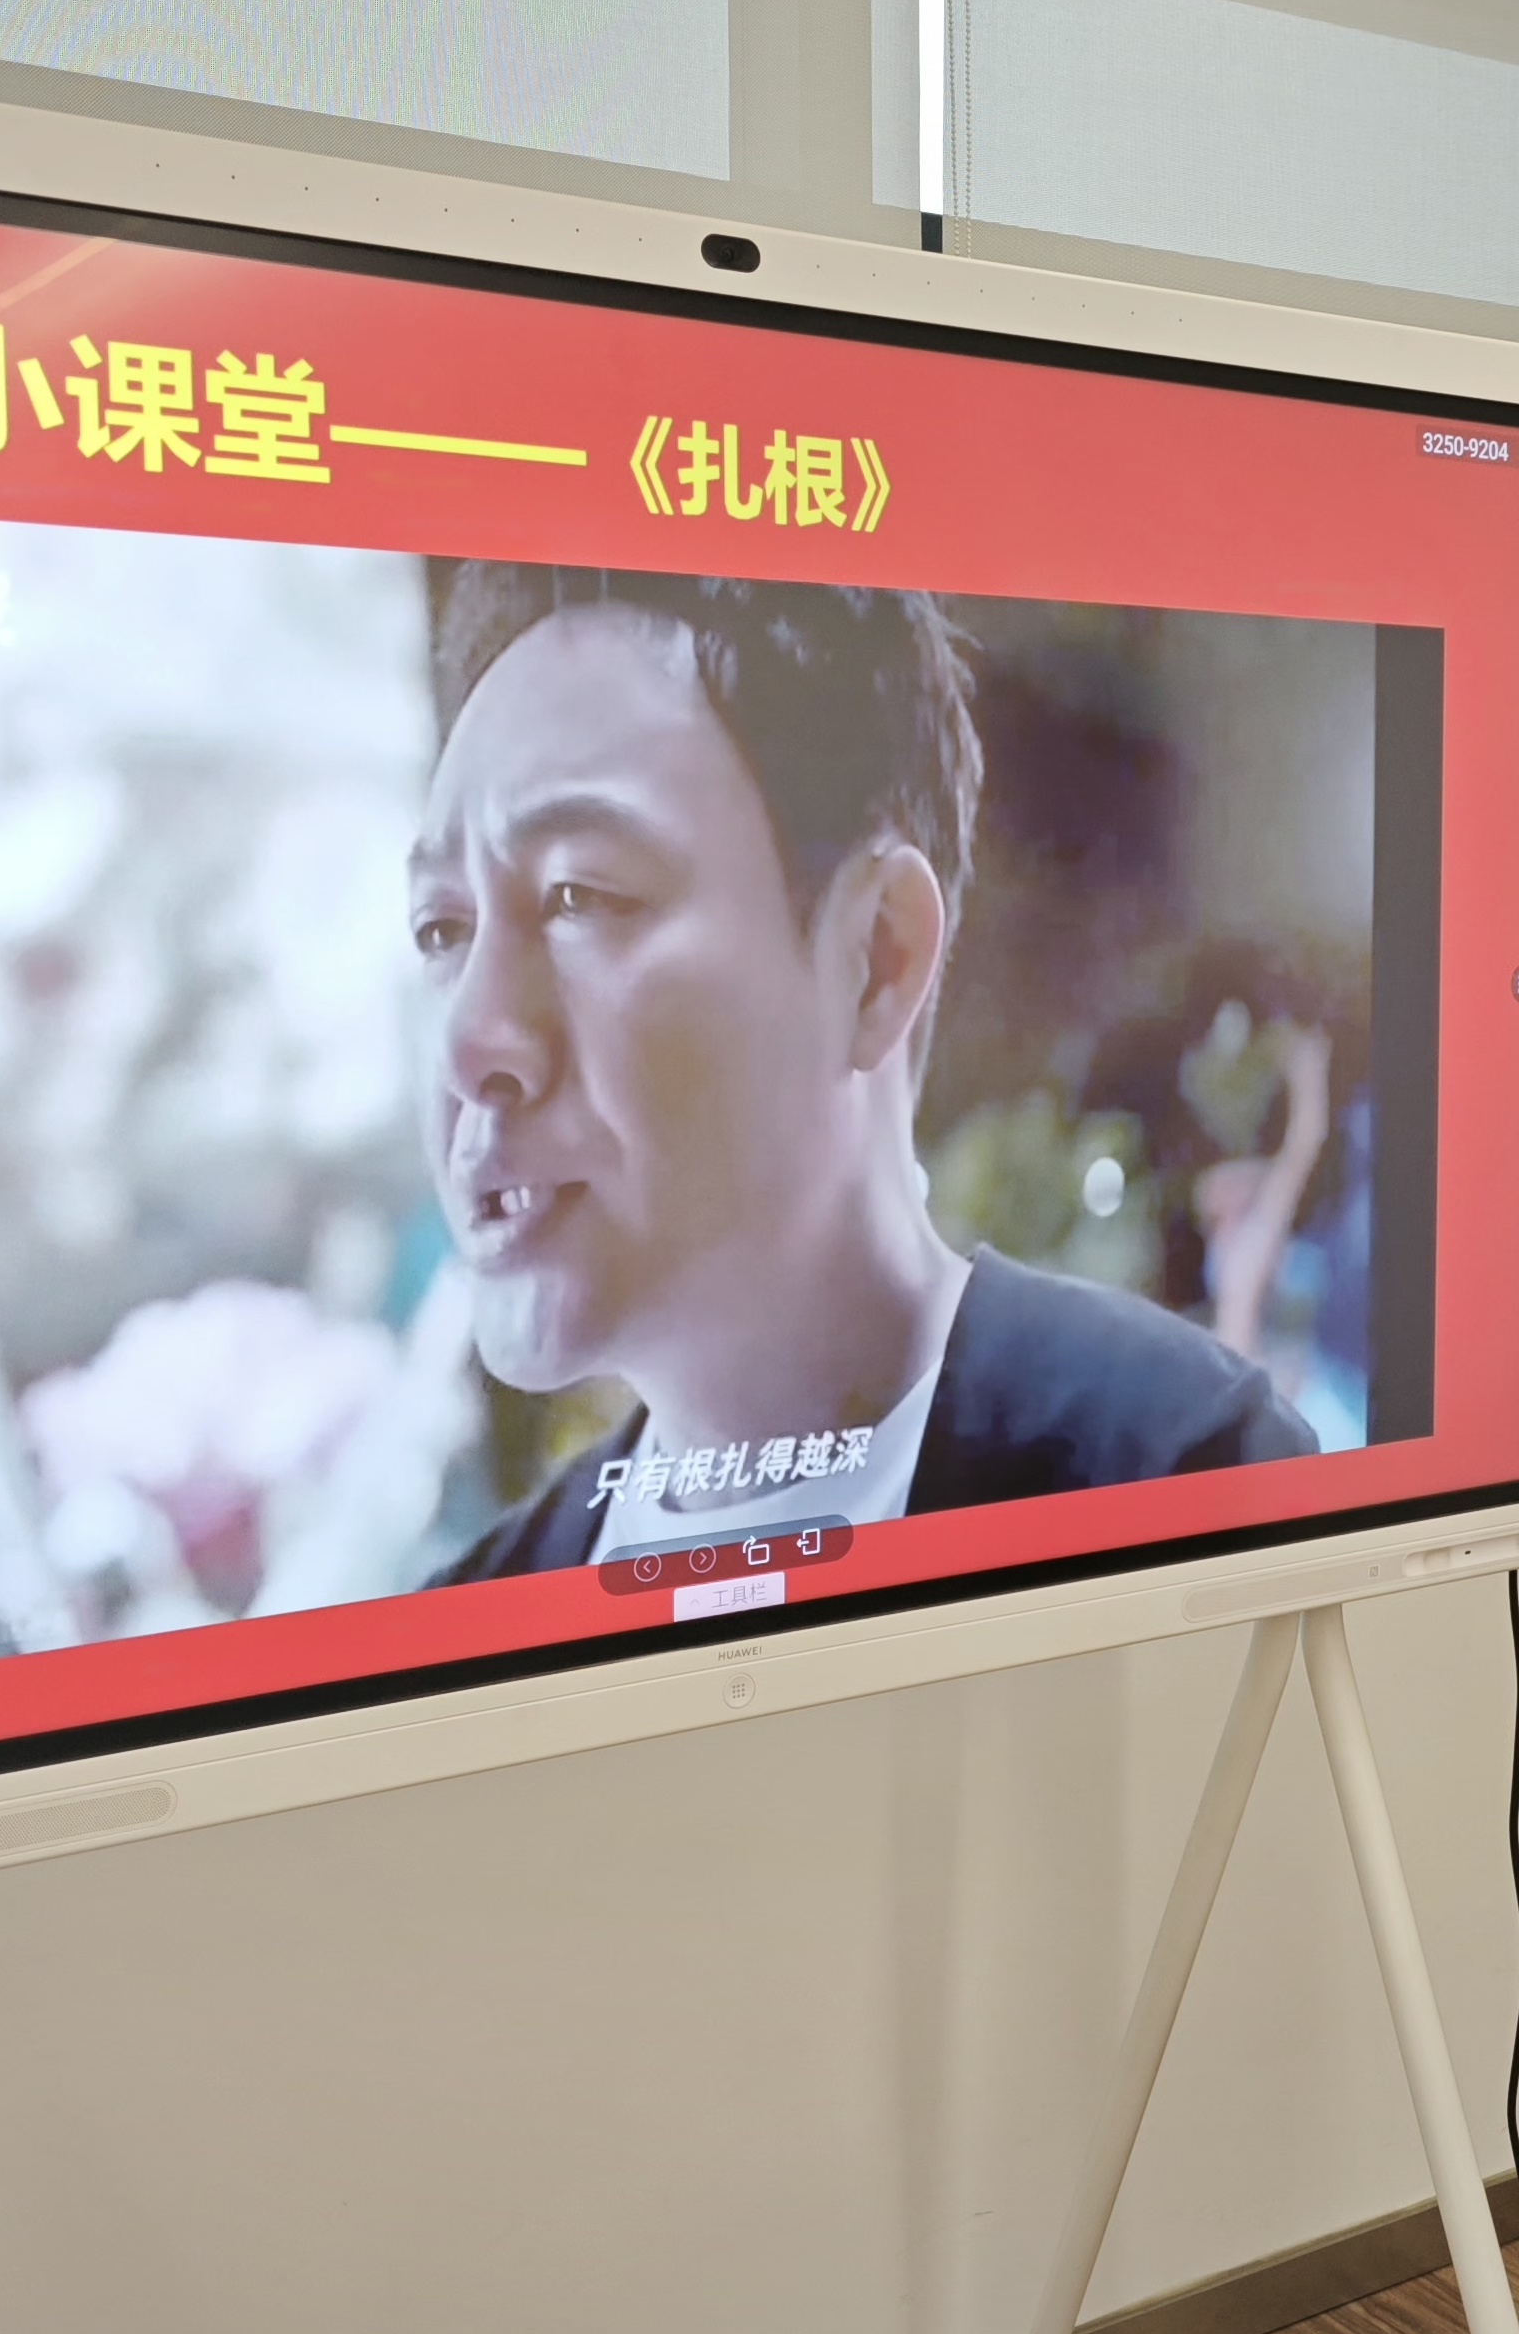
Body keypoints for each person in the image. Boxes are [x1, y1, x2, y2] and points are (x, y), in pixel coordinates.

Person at [408, 564, 1313, 1591]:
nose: (469, 1043)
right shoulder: (480, 1613)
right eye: (441, 928)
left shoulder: (1173, 1473)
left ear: (877, 956)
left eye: (579, 894)